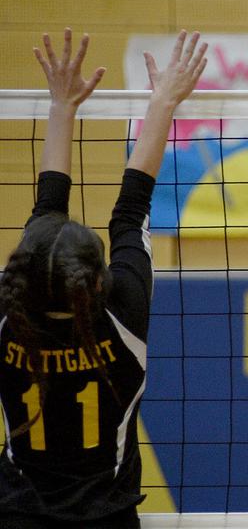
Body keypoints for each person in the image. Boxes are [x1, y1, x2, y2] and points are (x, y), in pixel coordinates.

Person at [0, 28, 207, 528]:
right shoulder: (124, 316)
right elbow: (131, 211)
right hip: (106, 521)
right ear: (96, 283)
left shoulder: (11, 315)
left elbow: (49, 216)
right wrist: (163, 102)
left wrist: (61, 107)